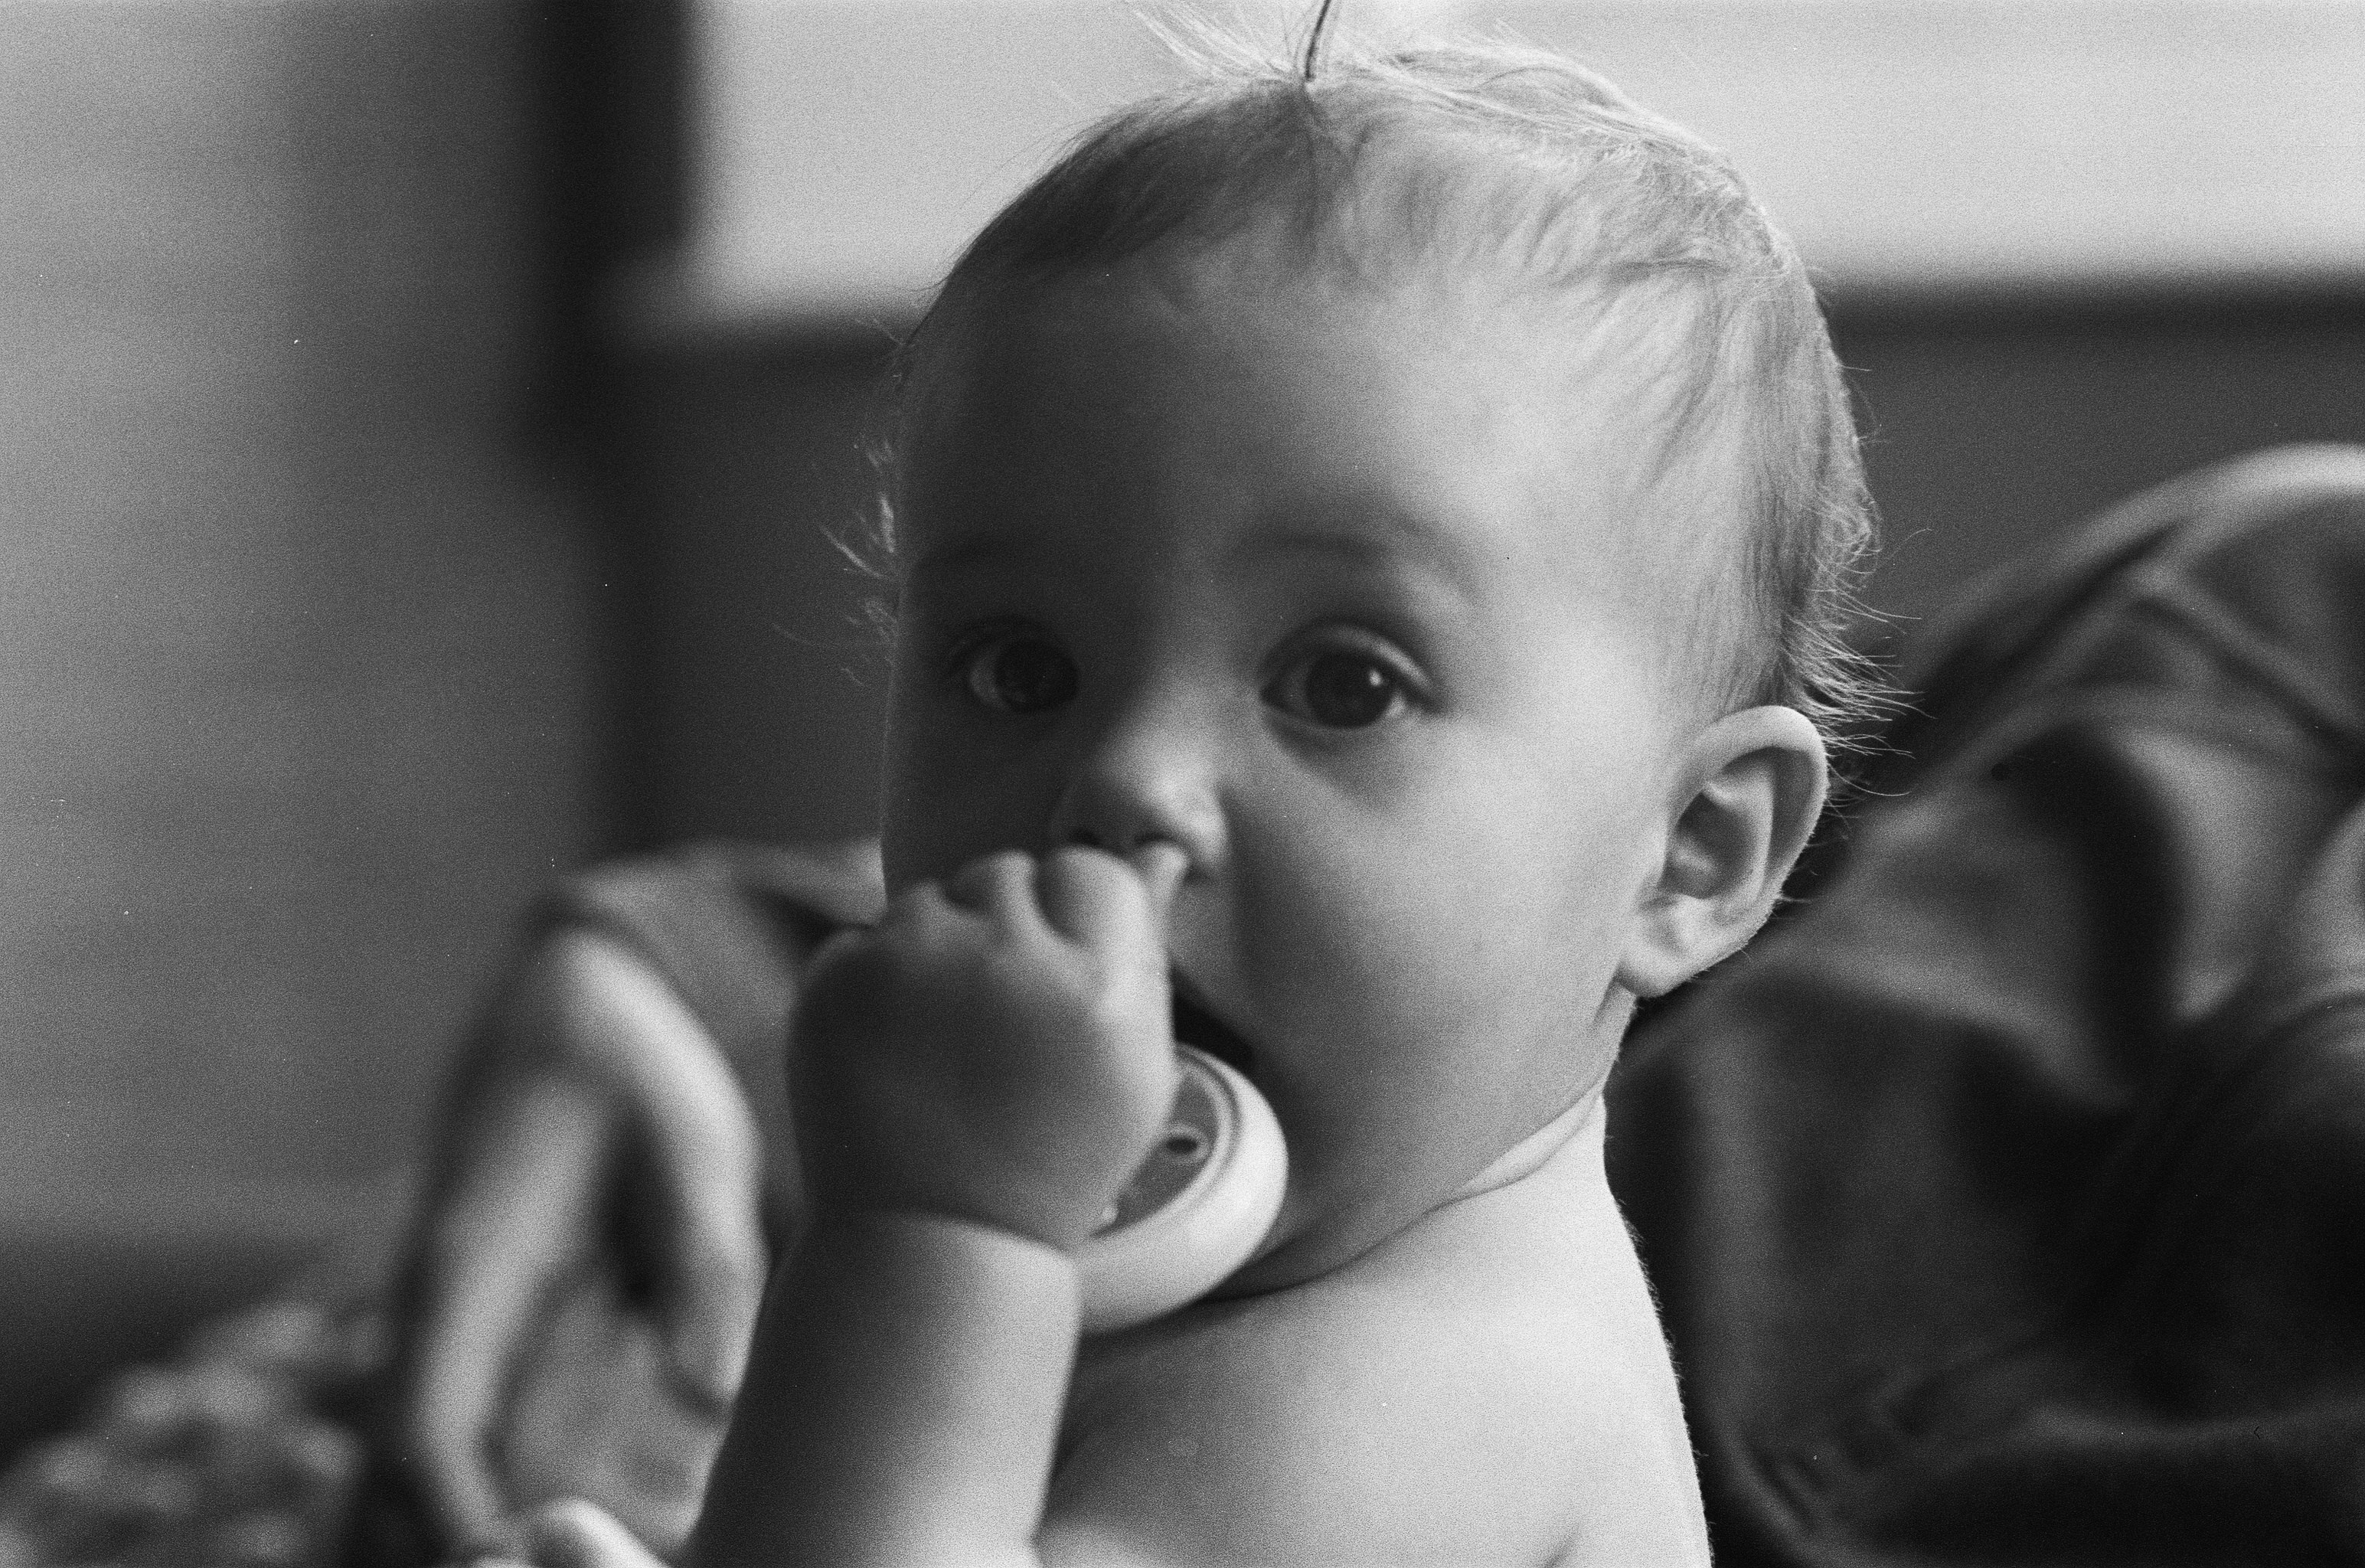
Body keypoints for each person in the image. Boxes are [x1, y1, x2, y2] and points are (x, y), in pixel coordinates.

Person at [387, 28, 1873, 1568]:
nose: (1124, 786)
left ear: (1690, 853)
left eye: (1344, 684)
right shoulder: (1258, 1301)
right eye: (1022, 668)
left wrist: (933, 1236)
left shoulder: (1406, 1398)